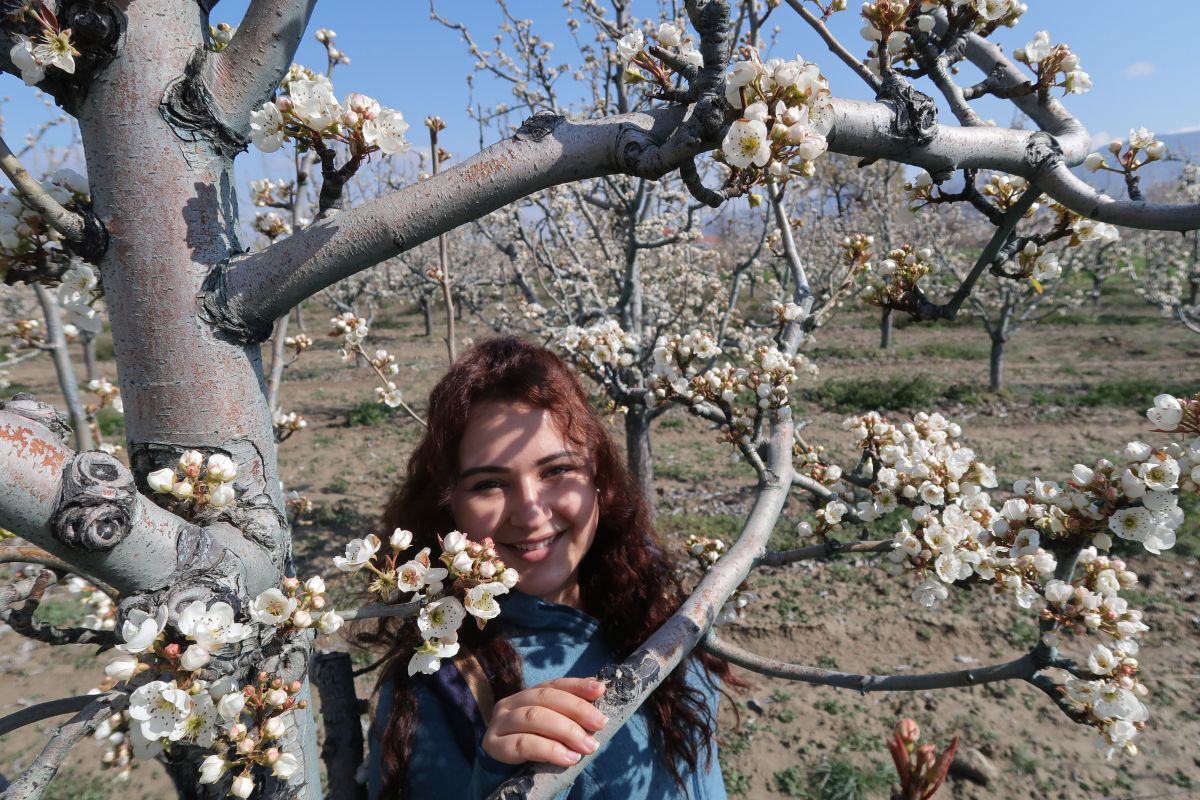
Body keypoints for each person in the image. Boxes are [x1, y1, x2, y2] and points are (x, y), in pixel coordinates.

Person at [361, 336, 739, 799]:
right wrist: (502, 780)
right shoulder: (439, 688)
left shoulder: (648, 593)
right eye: (489, 483)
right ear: (450, 506)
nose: (532, 513)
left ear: (598, 478)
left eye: (556, 471)